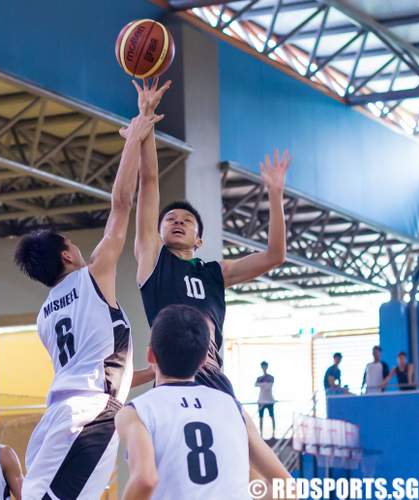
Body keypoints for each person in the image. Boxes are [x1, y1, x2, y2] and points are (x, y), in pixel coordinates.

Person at [130, 78, 291, 483]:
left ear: (199, 238)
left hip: (214, 376)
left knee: (257, 474)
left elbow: (275, 256)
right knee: (167, 473)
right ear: (160, 231)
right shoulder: (152, 261)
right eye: (170, 219)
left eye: (187, 220)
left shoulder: (214, 273)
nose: (178, 221)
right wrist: (145, 121)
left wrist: (274, 194)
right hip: (173, 378)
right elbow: (149, 184)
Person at [13, 107, 163, 499]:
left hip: (58, 419)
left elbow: (94, 366)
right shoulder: (93, 275)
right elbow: (121, 204)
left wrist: (154, 373)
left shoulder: (44, 316)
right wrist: (135, 137)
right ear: (66, 254)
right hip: (90, 416)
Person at [116, 305, 250, 500]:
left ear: (150, 355)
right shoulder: (234, 408)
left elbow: (144, 479)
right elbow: (284, 483)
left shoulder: (136, 412)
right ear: (204, 360)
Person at [255, 361, 275, 439]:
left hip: (270, 400)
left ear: (267, 367)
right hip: (261, 400)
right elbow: (256, 385)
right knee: (261, 417)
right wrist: (264, 384)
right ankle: (261, 434)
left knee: (272, 416)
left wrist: (262, 384)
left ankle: (273, 434)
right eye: (262, 366)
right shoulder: (259, 378)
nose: (264, 368)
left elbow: (269, 386)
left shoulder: (271, 377)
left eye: (265, 366)